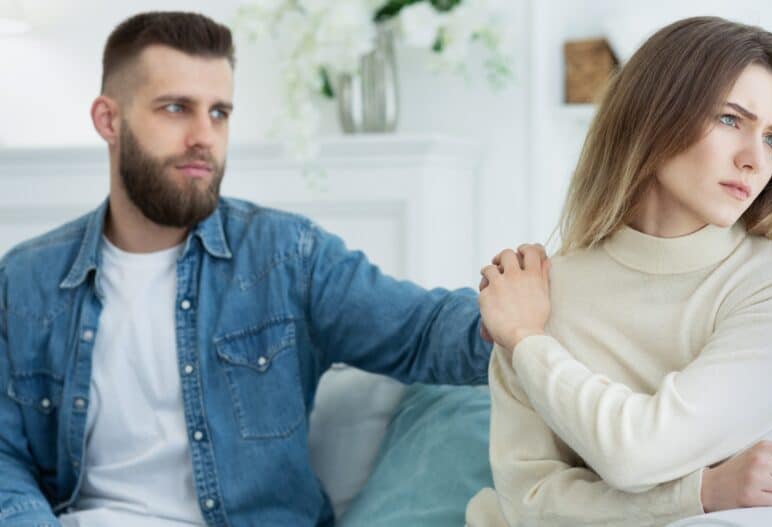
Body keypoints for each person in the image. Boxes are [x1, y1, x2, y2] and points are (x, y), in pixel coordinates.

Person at [0, 11, 491, 527]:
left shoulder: (287, 257)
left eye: (219, 113)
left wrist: (515, 320)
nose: (204, 136)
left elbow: (420, 331)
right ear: (108, 120)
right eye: (175, 108)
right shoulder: (25, 281)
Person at [468, 16, 772, 526]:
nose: (755, 159)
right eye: (730, 120)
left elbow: (637, 454)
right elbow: (527, 503)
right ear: (655, 116)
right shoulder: (533, 295)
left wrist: (527, 342)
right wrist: (700, 492)